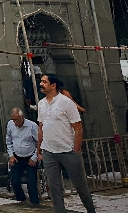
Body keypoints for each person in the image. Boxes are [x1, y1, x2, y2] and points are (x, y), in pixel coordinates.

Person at [35, 73, 96, 213]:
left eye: (44, 82)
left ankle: (91, 210)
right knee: (54, 188)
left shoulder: (66, 102)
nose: (41, 84)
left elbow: (78, 127)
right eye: (41, 81)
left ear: (53, 85)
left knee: (80, 186)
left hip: (67, 150)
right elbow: (41, 127)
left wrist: (75, 149)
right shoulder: (41, 104)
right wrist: (39, 148)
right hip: (49, 151)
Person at [6, 108, 40, 205]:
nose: (15, 122)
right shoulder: (10, 124)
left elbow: (39, 143)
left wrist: (34, 157)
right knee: (15, 181)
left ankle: (35, 204)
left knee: (32, 184)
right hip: (17, 157)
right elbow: (9, 141)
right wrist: (11, 155)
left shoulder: (32, 126)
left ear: (22, 118)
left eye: (17, 120)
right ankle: (21, 201)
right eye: (13, 120)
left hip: (30, 157)